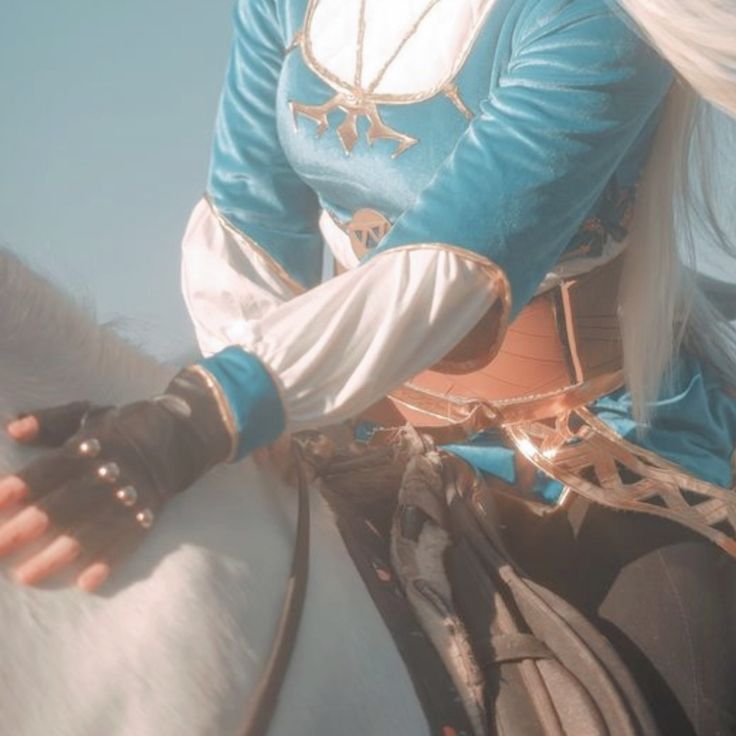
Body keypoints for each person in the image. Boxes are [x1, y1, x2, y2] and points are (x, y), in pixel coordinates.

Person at [1, 0, 735, 732]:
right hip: (355, 418)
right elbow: (247, 222)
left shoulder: (594, 19)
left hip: (595, 445)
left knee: (685, 681)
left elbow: (449, 265)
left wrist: (204, 416)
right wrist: (243, 414)